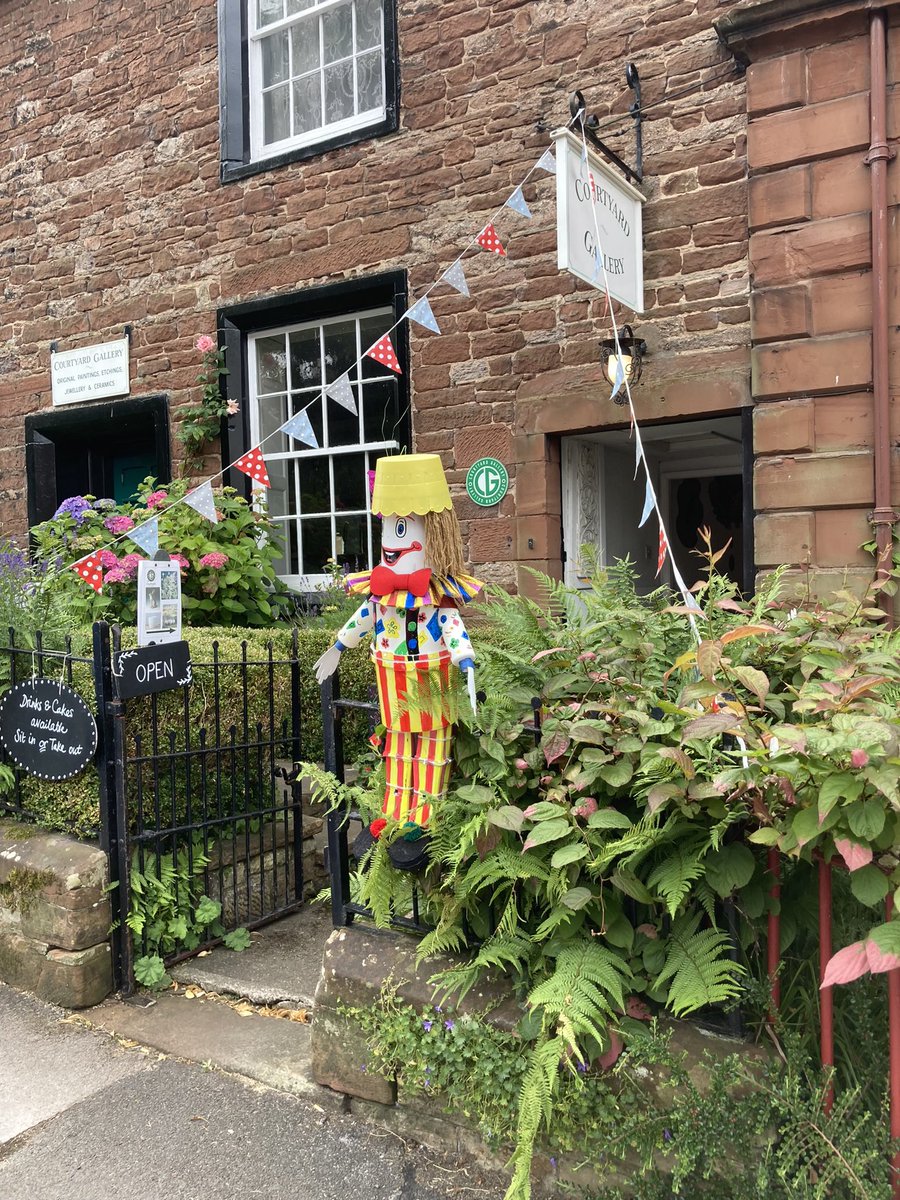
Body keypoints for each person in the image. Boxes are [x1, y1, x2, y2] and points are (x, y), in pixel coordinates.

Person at [315, 454, 483, 871]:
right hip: (393, 687)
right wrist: (338, 646)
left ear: (432, 532)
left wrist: (467, 665)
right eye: (389, 527)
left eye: (402, 528)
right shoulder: (381, 596)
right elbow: (363, 619)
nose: (391, 540)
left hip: (431, 685)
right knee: (397, 752)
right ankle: (393, 815)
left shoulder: (439, 599)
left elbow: (453, 629)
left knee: (430, 752)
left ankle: (422, 821)